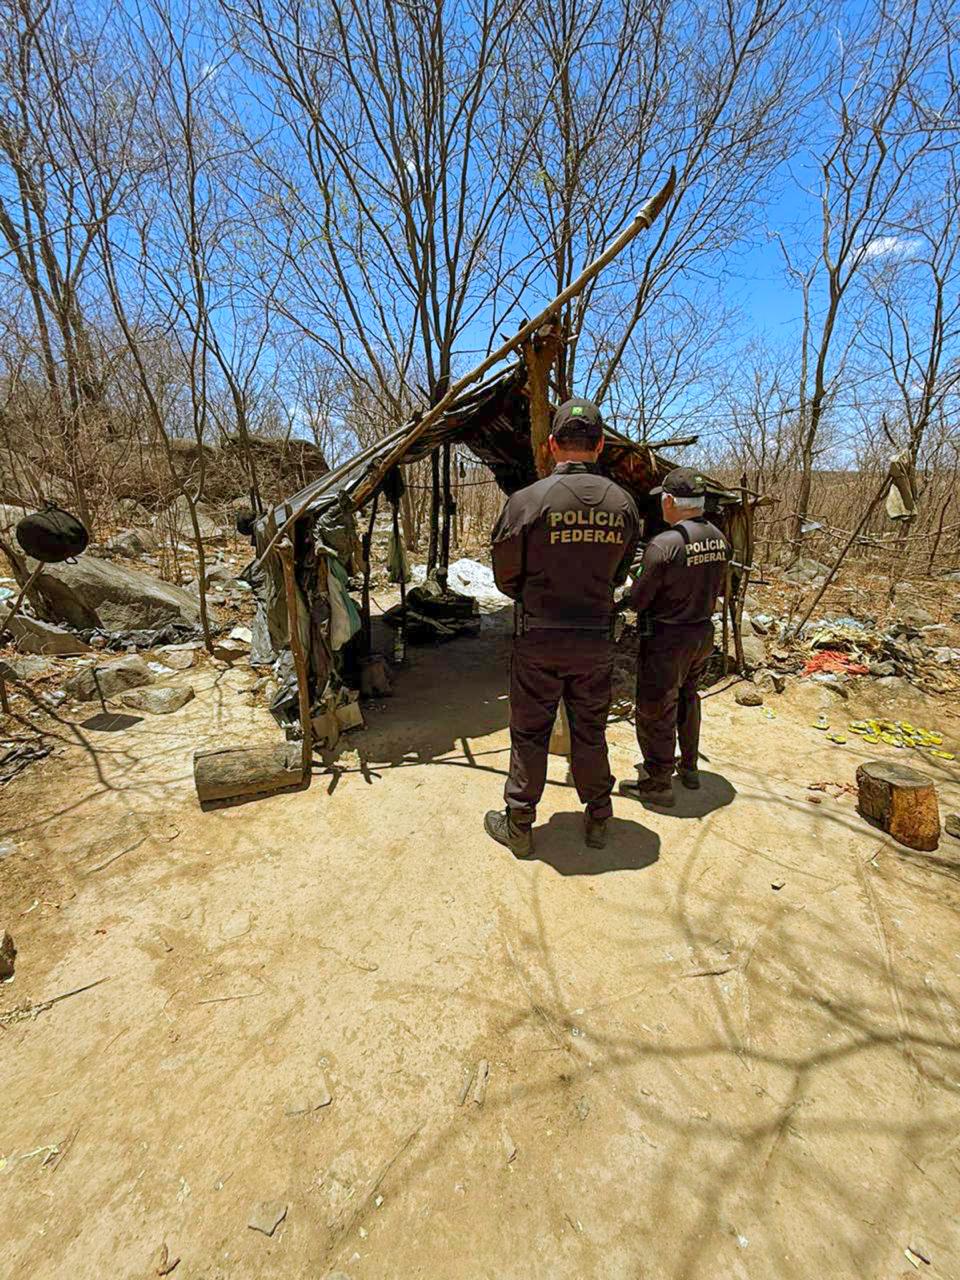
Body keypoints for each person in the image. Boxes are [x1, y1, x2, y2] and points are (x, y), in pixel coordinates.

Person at [485, 398, 640, 856]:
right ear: (601, 445)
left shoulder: (526, 502)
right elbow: (618, 575)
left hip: (539, 636)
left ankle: (519, 823)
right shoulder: (624, 504)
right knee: (589, 730)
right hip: (595, 639)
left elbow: (505, 577)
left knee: (530, 732)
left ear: (552, 444)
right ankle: (598, 817)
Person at [618, 466, 730, 807]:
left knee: (655, 708)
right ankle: (690, 767)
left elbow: (638, 599)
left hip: (668, 638)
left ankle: (657, 782)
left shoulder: (665, 544)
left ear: (670, 501)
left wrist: (621, 596)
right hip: (702, 633)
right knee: (688, 697)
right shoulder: (719, 538)